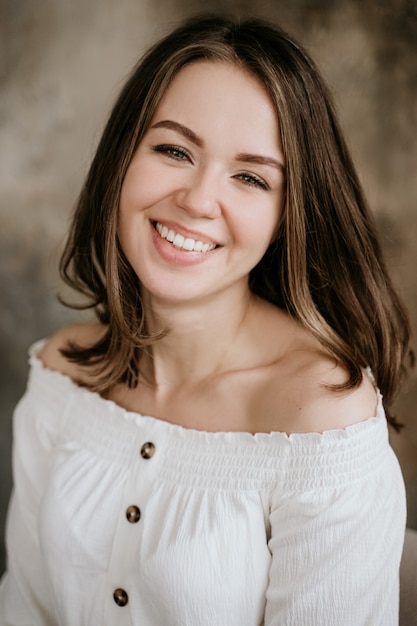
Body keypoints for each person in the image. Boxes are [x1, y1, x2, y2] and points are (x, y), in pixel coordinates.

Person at [0, 13, 413, 626]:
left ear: (288, 215)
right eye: (173, 149)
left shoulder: (321, 416)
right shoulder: (62, 377)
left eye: (250, 177)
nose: (196, 200)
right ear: (121, 160)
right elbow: (25, 606)